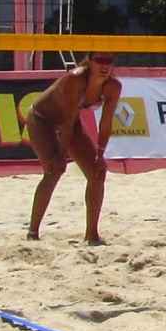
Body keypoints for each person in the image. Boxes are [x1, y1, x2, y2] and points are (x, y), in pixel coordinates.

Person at [25, 53, 122, 243]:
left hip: (70, 122)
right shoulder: (75, 79)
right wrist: (61, 155)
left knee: (97, 172)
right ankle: (33, 232)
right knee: (55, 169)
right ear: (90, 62)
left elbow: (106, 123)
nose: (104, 66)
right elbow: (66, 122)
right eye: (100, 60)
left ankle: (92, 235)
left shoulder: (113, 87)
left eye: (108, 61)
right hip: (41, 119)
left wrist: (100, 155)